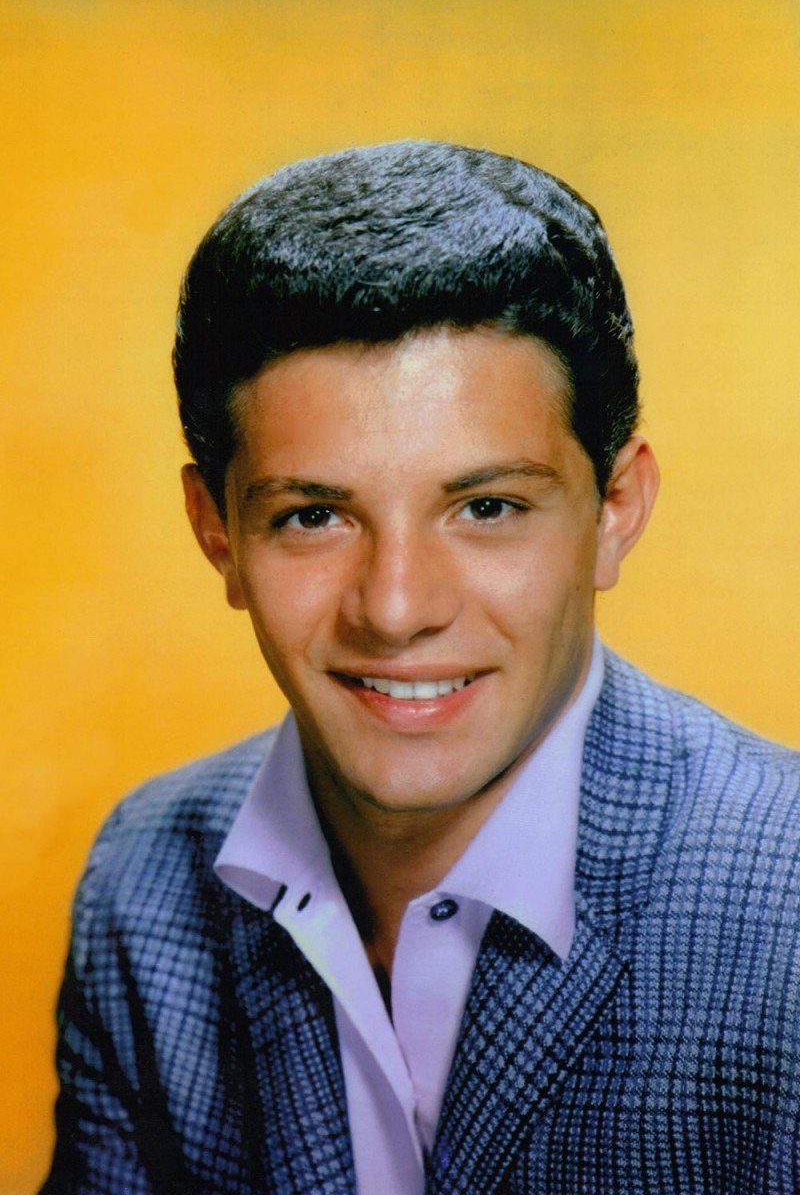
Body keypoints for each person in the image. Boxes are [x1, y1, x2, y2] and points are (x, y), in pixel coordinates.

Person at [41, 141, 800, 1195]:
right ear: (216, 532)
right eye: (313, 516)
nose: (395, 610)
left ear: (613, 512)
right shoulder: (143, 882)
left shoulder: (785, 899)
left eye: (486, 507)